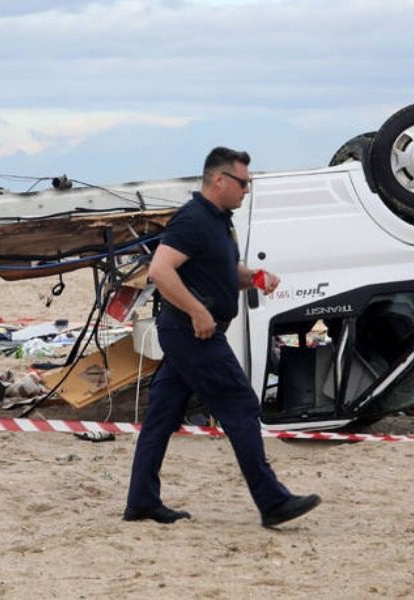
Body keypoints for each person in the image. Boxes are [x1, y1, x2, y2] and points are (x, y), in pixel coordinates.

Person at [124, 147, 321, 528]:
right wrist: (198, 311)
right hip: (193, 333)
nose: (247, 190)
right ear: (219, 180)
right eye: (243, 183)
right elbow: (161, 272)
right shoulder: (192, 219)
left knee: (161, 417)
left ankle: (141, 501)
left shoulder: (219, 221)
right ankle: (273, 501)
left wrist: (254, 277)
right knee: (242, 405)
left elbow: (223, 269)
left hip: (191, 333)